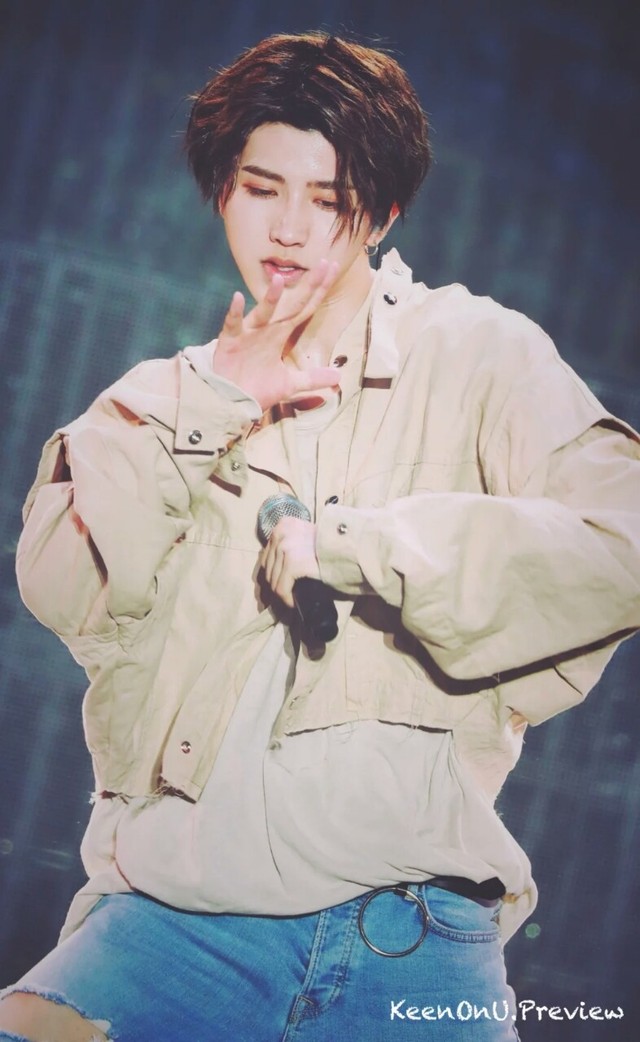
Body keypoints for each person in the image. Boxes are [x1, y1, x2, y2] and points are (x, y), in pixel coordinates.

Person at [1, 30, 639, 1042]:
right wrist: (214, 404)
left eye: (330, 200)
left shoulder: (477, 356)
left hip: (415, 929)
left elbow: (622, 538)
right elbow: (65, 589)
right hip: (176, 921)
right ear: (223, 191)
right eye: (262, 189)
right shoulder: (156, 401)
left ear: (381, 214)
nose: (290, 228)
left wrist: (352, 546)